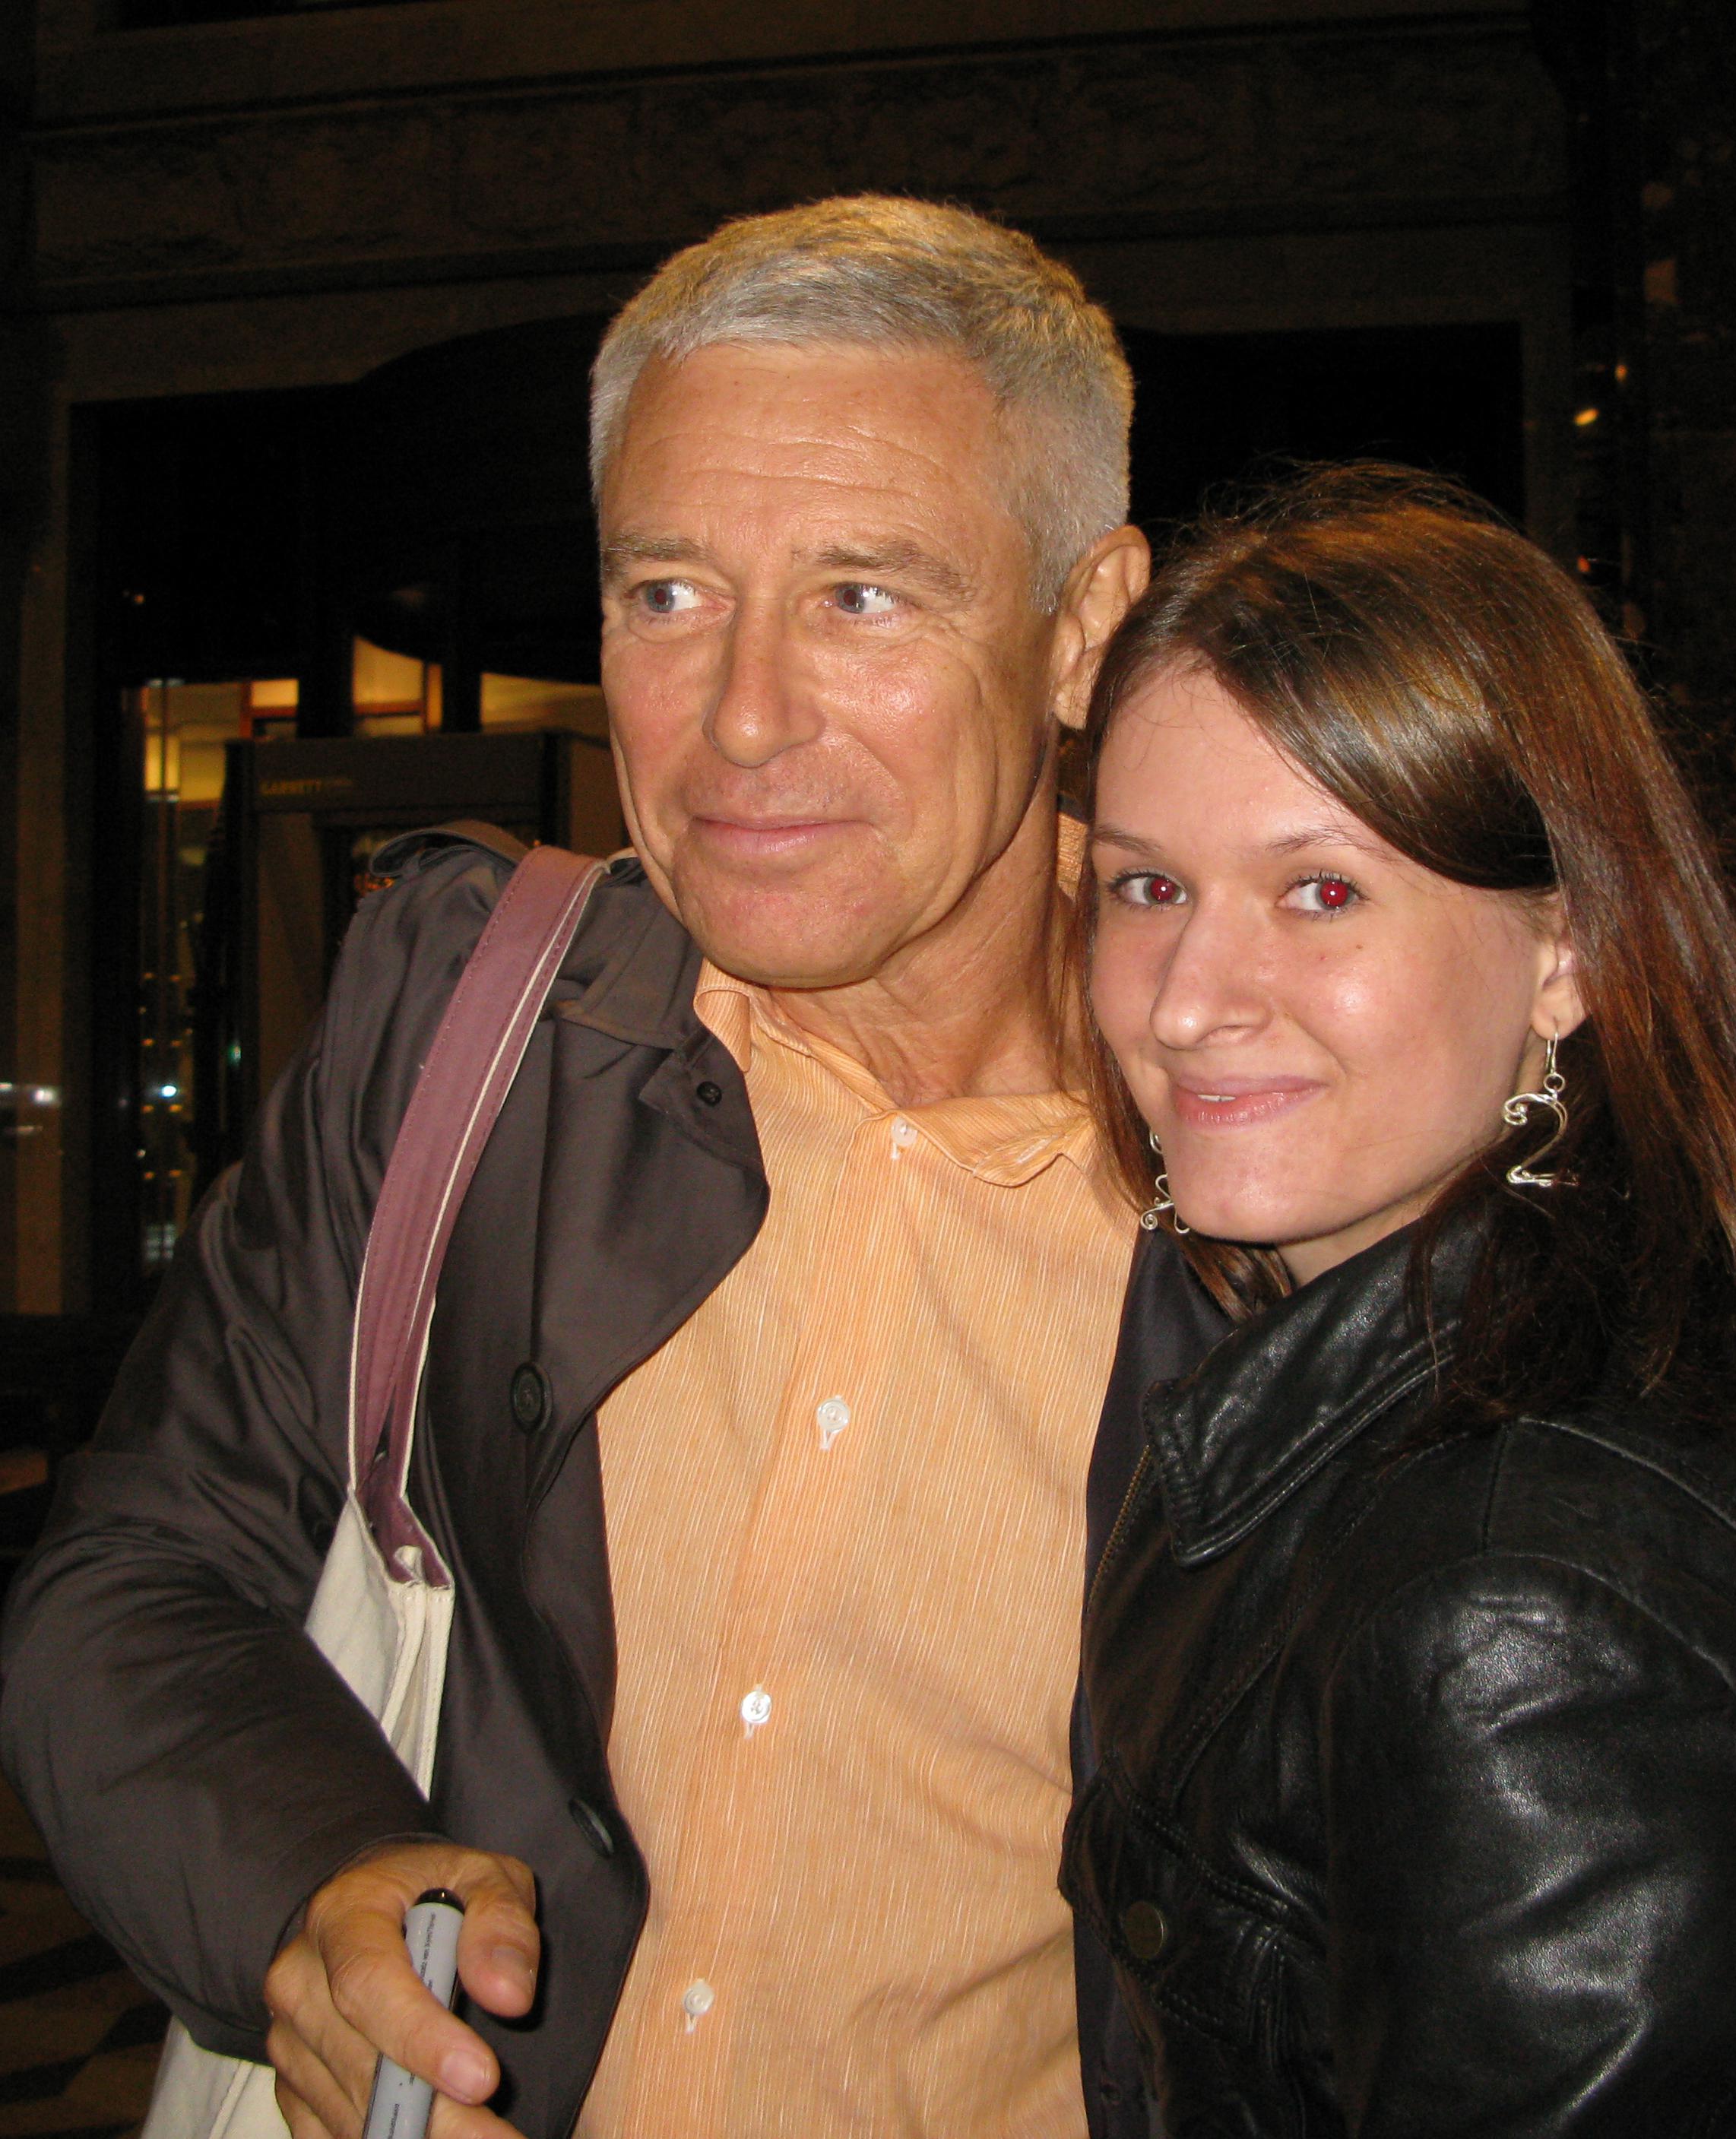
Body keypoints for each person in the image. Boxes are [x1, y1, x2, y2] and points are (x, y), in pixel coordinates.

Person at [1, 198, 1227, 2139]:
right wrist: (308, 1885)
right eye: (667, 593)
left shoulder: (1273, 1158)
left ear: (1083, 627)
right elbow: (144, 1571)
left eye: (863, 596)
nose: (741, 716)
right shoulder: (474, 1035)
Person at [1060, 465, 1736, 2134]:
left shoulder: (1516, 1630)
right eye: (1148, 887)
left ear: (1566, 951)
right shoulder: (1635, 1329)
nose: (1188, 1001)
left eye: (1320, 890)